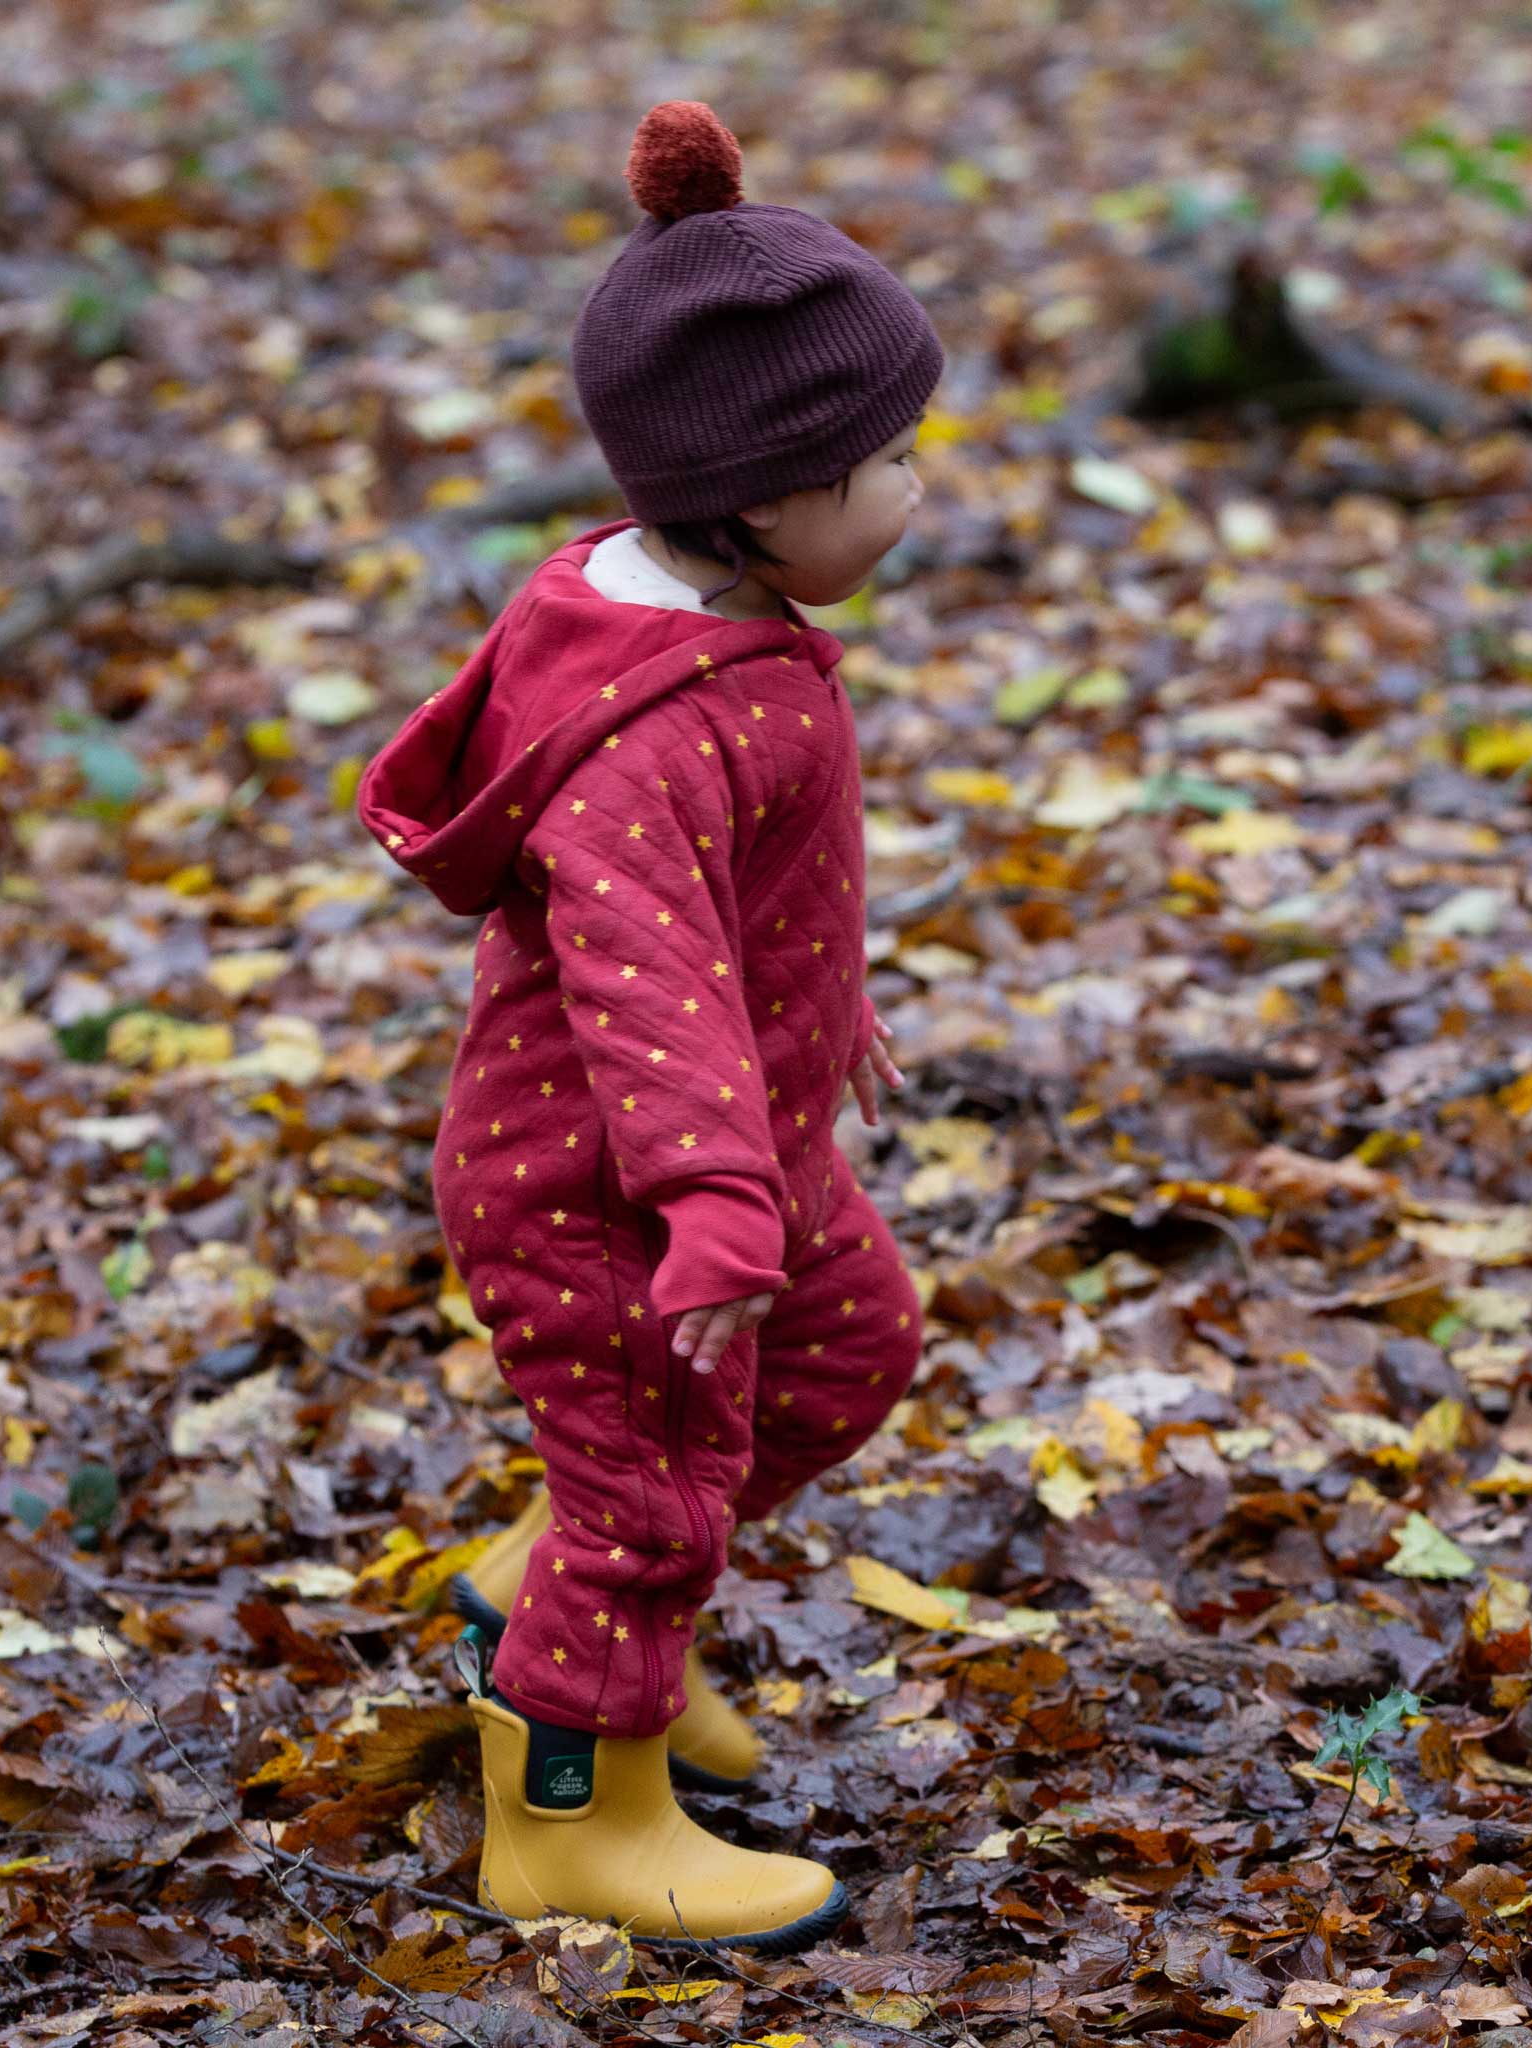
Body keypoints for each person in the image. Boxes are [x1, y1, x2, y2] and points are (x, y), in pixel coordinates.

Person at [356, 98, 943, 1953]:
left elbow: (747, 907)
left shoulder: (706, 624)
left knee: (852, 1346)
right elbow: (637, 975)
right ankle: (570, 1816)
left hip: (743, 1137)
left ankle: (563, 1590)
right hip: (609, 1185)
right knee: (656, 1499)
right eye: (887, 462)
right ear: (762, 501)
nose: (915, 491)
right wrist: (708, 1201)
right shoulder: (651, 733)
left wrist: (827, 1007)